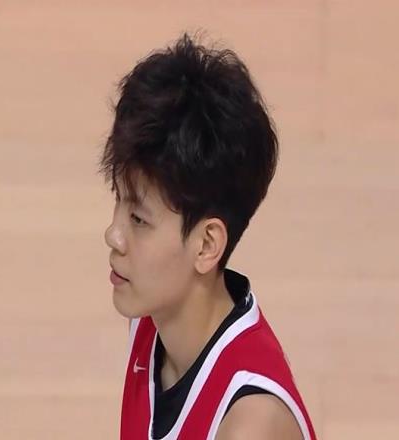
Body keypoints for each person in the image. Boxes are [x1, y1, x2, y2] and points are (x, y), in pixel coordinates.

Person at [98, 31, 317, 439]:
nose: (114, 235)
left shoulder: (249, 425)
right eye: (119, 203)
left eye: (139, 220)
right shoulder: (151, 319)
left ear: (207, 245)